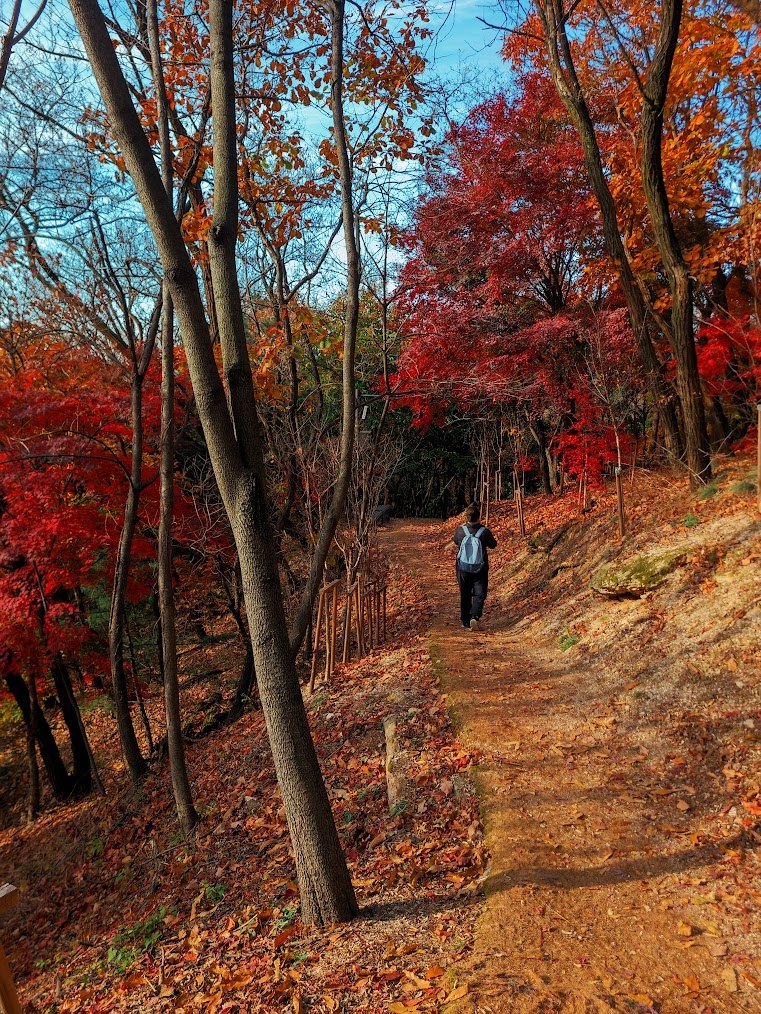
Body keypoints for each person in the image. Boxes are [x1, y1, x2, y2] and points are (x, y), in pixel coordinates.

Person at [453, 503, 497, 630]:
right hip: (480, 568)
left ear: (466, 517)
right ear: (478, 517)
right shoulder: (484, 532)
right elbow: (493, 545)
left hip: (462, 567)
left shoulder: (461, 530)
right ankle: (475, 616)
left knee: (465, 593)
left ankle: (465, 621)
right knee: (480, 593)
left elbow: (456, 541)